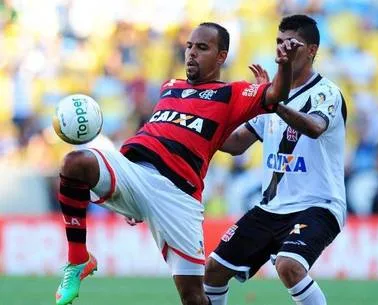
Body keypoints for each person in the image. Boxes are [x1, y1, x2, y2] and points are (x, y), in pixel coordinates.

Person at [54, 22, 302, 305]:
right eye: (189, 46)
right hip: (136, 173)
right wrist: (128, 191)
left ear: (221, 57)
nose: (191, 53)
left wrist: (284, 65)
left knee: (194, 298)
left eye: (202, 48)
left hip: (178, 196)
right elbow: (156, 133)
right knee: (75, 163)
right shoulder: (170, 87)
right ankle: (77, 260)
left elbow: (275, 96)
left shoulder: (231, 93)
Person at [204, 15, 347, 305]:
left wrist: (273, 103)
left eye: (292, 43)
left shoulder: (326, 93)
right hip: (270, 207)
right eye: (280, 42)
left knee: (289, 266)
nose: (284, 48)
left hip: (318, 204)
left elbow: (314, 127)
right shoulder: (268, 97)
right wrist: (203, 121)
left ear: (312, 50)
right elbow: (235, 145)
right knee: (213, 271)